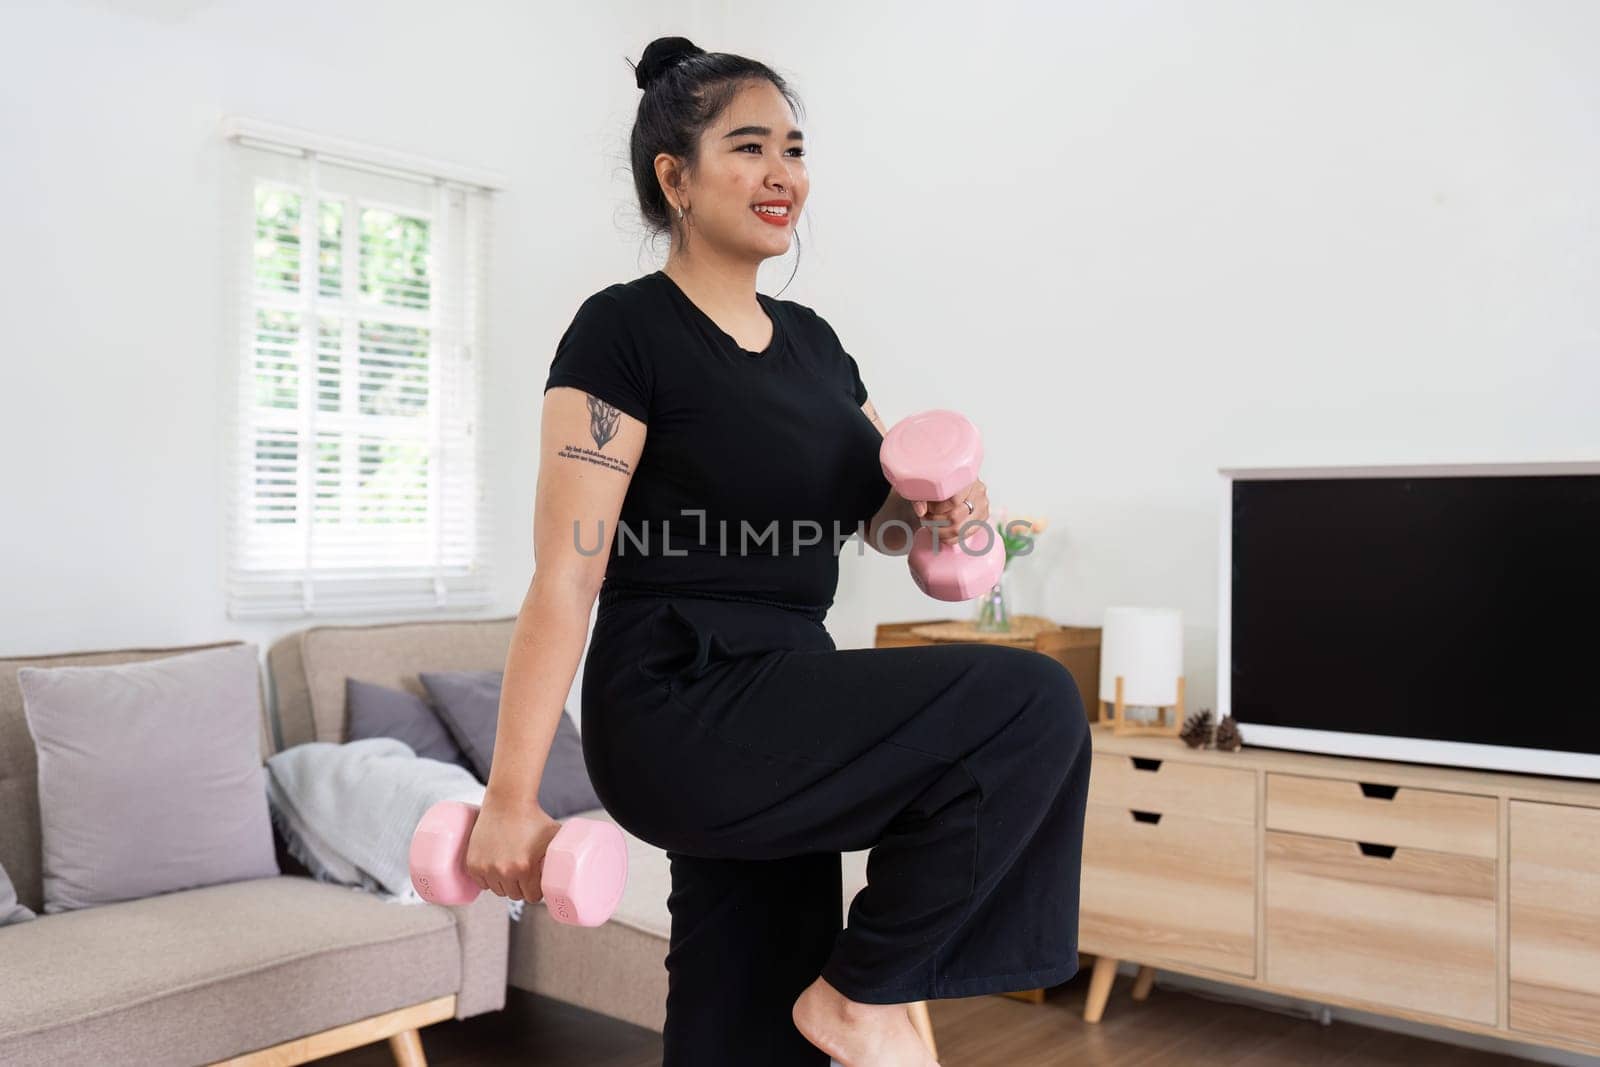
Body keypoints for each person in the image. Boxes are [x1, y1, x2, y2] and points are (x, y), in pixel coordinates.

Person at [464, 35, 1092, 1067]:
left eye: (793, 151)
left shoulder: (815, 345)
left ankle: (825, 1006)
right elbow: (569, 569)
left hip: (788, 687)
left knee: (746, 998)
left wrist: (942, 511)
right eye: (748, 148)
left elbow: (881, 516)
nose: (780, 174)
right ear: (674, 178)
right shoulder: (622, 333)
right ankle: (863, 997)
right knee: (1028, 703)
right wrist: (510, 794)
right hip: (679, 694)